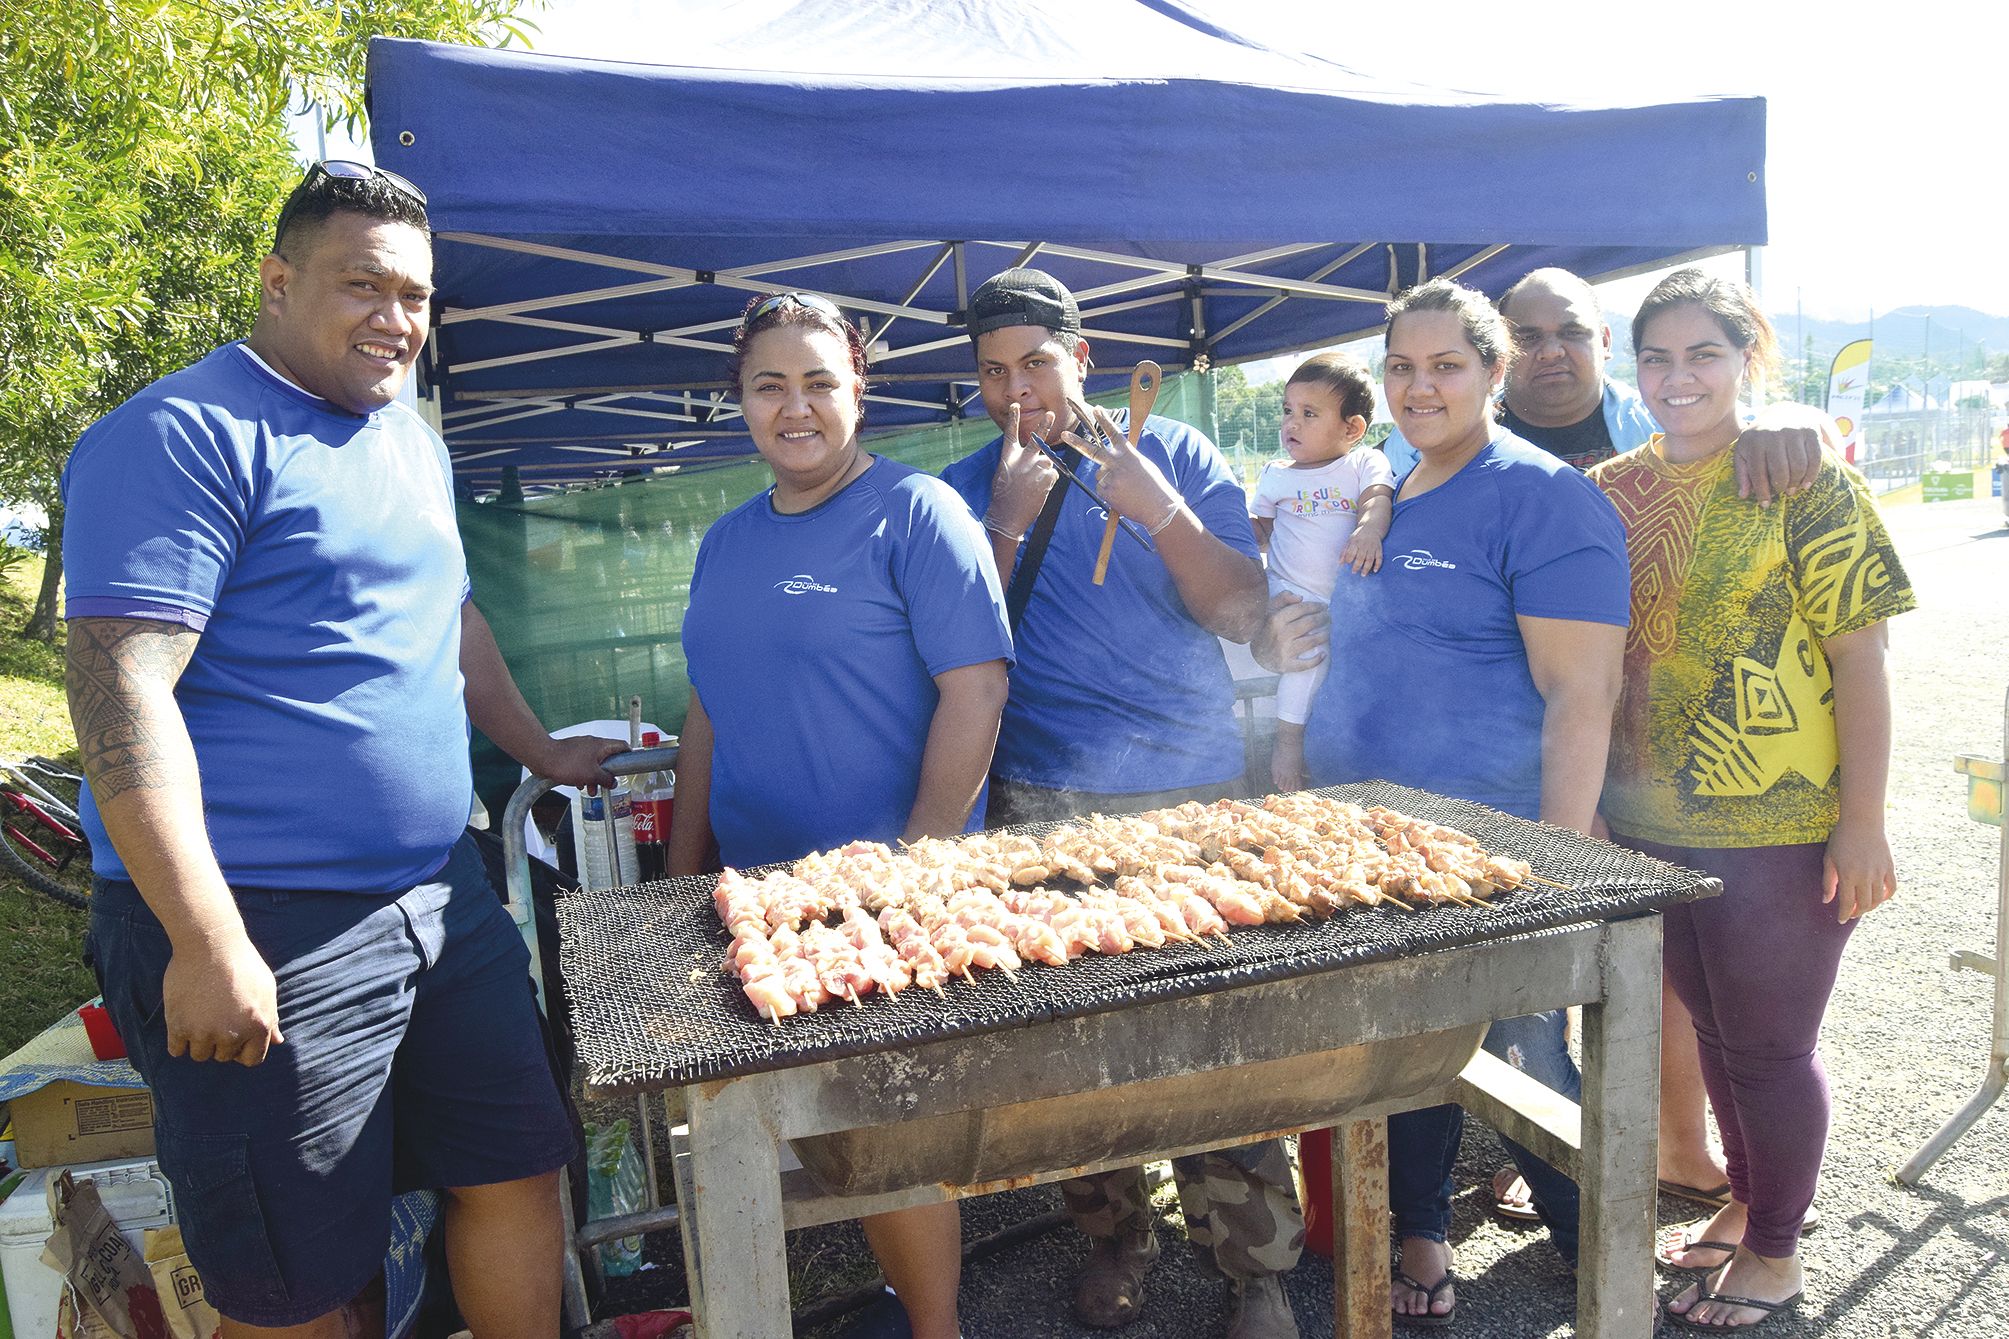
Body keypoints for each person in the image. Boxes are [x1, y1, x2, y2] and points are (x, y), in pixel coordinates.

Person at [61, 161, 625, 1338]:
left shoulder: (409, 441)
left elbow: (449, 619)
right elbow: (121, 687)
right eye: (363, 284)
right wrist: (205, 938)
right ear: (276, 282)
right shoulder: (179, 433)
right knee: (299, 1272)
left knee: (518, 1169)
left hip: (439, 899)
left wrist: (539, 750)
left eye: (416, 296)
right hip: (264, 920)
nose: (397, 318)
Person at [1398, 266, 1830, 1225]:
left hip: (1705, 785)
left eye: (1573, 331)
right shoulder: (1457, 447)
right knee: (1635, 982)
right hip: (1598, 780)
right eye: (1530, 332)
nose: (1551, 349)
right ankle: (1587, 1139)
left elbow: (1715, 413)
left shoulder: (1654, 436)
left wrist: (1786, 415)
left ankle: (1681, 1151)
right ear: (1503, 354)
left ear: (1601, 345)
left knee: (1689, 997)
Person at [1257, 278, 1630, 1326]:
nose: (1421, 387)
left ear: (1494, 373)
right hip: (1365, 839)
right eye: (1402, 368)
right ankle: (1418, 1230)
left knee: (1524, 1049)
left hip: (1489, 845)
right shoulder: (1392, 490)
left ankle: (1597, 1235)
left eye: (1446, 366)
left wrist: (1551, 862)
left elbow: (1580, 691)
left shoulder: (1540, 496)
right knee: (1405, 1046)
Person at [939, 269, 1295, 1339]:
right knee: (1074, 1053)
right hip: (1041, 795)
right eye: (993, 373)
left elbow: (1242, 609)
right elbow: (955, 654)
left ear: (1082, 358)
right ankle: (1111, 1235)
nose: (1016, 393)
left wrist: (1158, 507)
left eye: (1035, 364)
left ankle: (1256, 1265)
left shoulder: (1174, 452)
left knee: (1219, 1037)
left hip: (1191, 796)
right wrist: (1002, 528)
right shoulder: (964, 486)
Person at [666, 292, 1013, 1339]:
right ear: (740, 403)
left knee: (887, 1135)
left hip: (884, 898)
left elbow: (978, 689)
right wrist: (682, 871)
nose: (796, 406)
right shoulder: (725, 543)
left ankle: (937, 1330)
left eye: (819, 382)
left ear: (860, 392)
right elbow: (705, 713)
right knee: (804, 1139)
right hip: (760, 902)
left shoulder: (915, 514)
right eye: (769, 385)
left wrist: (914, 865)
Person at [1589, 271, 1913, 1330]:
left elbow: (1857, 658)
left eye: (1702, 355)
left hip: (1777, 822)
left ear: (1747, 360)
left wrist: (1858, 819)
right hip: (1646, 822)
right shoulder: (1609, 489)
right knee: (1719, 1034)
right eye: (1654, 358)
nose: (1675, 379)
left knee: (1769, 1045)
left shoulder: (1798, 475)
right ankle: (1746, 1200)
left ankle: (1774, 1252)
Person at [1249, 353, 1394, 793]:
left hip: (1349, 601)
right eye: (1288, 411)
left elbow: (1377, 501)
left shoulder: (1362, 464)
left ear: (1352, 429)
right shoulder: (1276, 475)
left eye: (1309, 414)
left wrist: (1369, 531)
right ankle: (1287, 743)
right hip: (1292, 594)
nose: (1291, 423)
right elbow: (1256, 533)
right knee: (1305, 662)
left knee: (1353, 680)